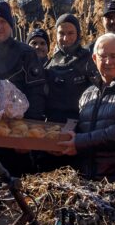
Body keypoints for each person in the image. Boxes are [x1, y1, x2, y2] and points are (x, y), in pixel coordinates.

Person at [57, 33, 115, 191]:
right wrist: (58, 143)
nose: (108, 62)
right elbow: (78, 131)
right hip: (89, 183)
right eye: (103, 56)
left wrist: (79, 142)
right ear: (94, 58)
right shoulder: (87, 94)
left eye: (114, 56)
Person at [38, 14, 99, 172]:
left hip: (78, 135)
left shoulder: (89, 60)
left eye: (70, 33)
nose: (65, 38)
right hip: (52, 132)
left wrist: (81, 139)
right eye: (61, 33)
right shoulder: (51, 62)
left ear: (78, 34)